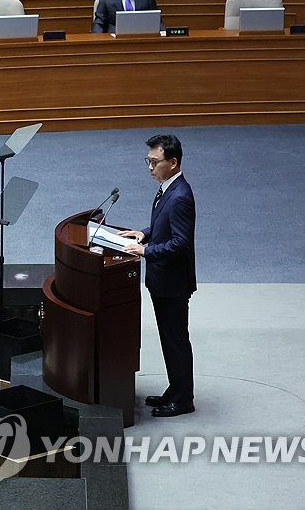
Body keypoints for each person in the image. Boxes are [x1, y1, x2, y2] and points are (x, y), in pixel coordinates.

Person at [120, 134, 197, 418]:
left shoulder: (180, 197)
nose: (150, 167)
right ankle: (175, 389)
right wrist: (145, 233)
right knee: (169, 338)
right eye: (148, 161)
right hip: (163, 280)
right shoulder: (167, 189)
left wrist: (145, 250)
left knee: (176, 339)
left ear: (173, 163)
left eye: (155, 162)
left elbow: (180, 242)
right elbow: (162, 226)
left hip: (173, 283)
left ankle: (183, 398)